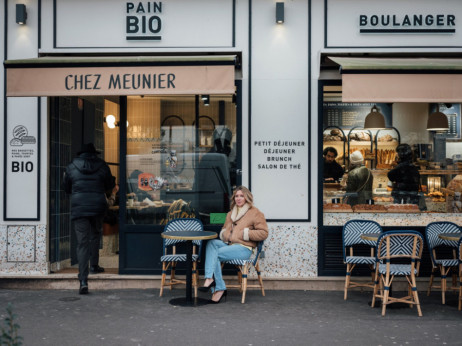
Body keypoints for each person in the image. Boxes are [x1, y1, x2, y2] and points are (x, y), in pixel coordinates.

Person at [199, 186, 268, 304]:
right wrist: (225, 234)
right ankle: (210, 278)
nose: (239, 198)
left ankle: (219, 288)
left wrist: (246, 233)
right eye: (236, 196)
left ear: (247, 197)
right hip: (230, 245)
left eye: (241, 196)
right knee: (211, 243)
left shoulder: (255, 213)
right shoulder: (230, 213)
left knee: (215, 255)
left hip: (243, 248)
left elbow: (263, 233)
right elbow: (224, 229)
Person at [63, 143, 115, 294]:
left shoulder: (71, 166)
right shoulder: (102, 165)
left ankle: (83, 280)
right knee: (95, 236)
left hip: (79, 207)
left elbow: (66, 188)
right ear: (94, 154)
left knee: (82, 243)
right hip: (98, 205)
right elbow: (110, 185)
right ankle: (94, 265)